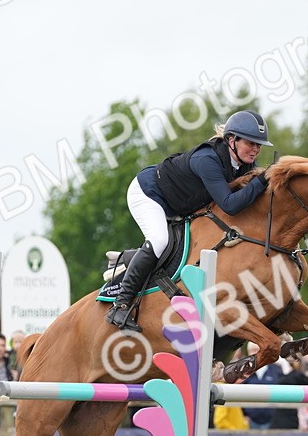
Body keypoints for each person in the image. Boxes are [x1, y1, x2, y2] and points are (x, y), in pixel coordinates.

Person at [106, 110, 273, 330]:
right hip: (148, 193)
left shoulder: (243, 163)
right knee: (159, 240)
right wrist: (262, 180)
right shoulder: (208, 160)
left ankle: (128, 258)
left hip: (180, 203)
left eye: (259, 145)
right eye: (251, 143)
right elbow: (230, 205)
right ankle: (120, 304)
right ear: (232, 140)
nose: (256, 149)